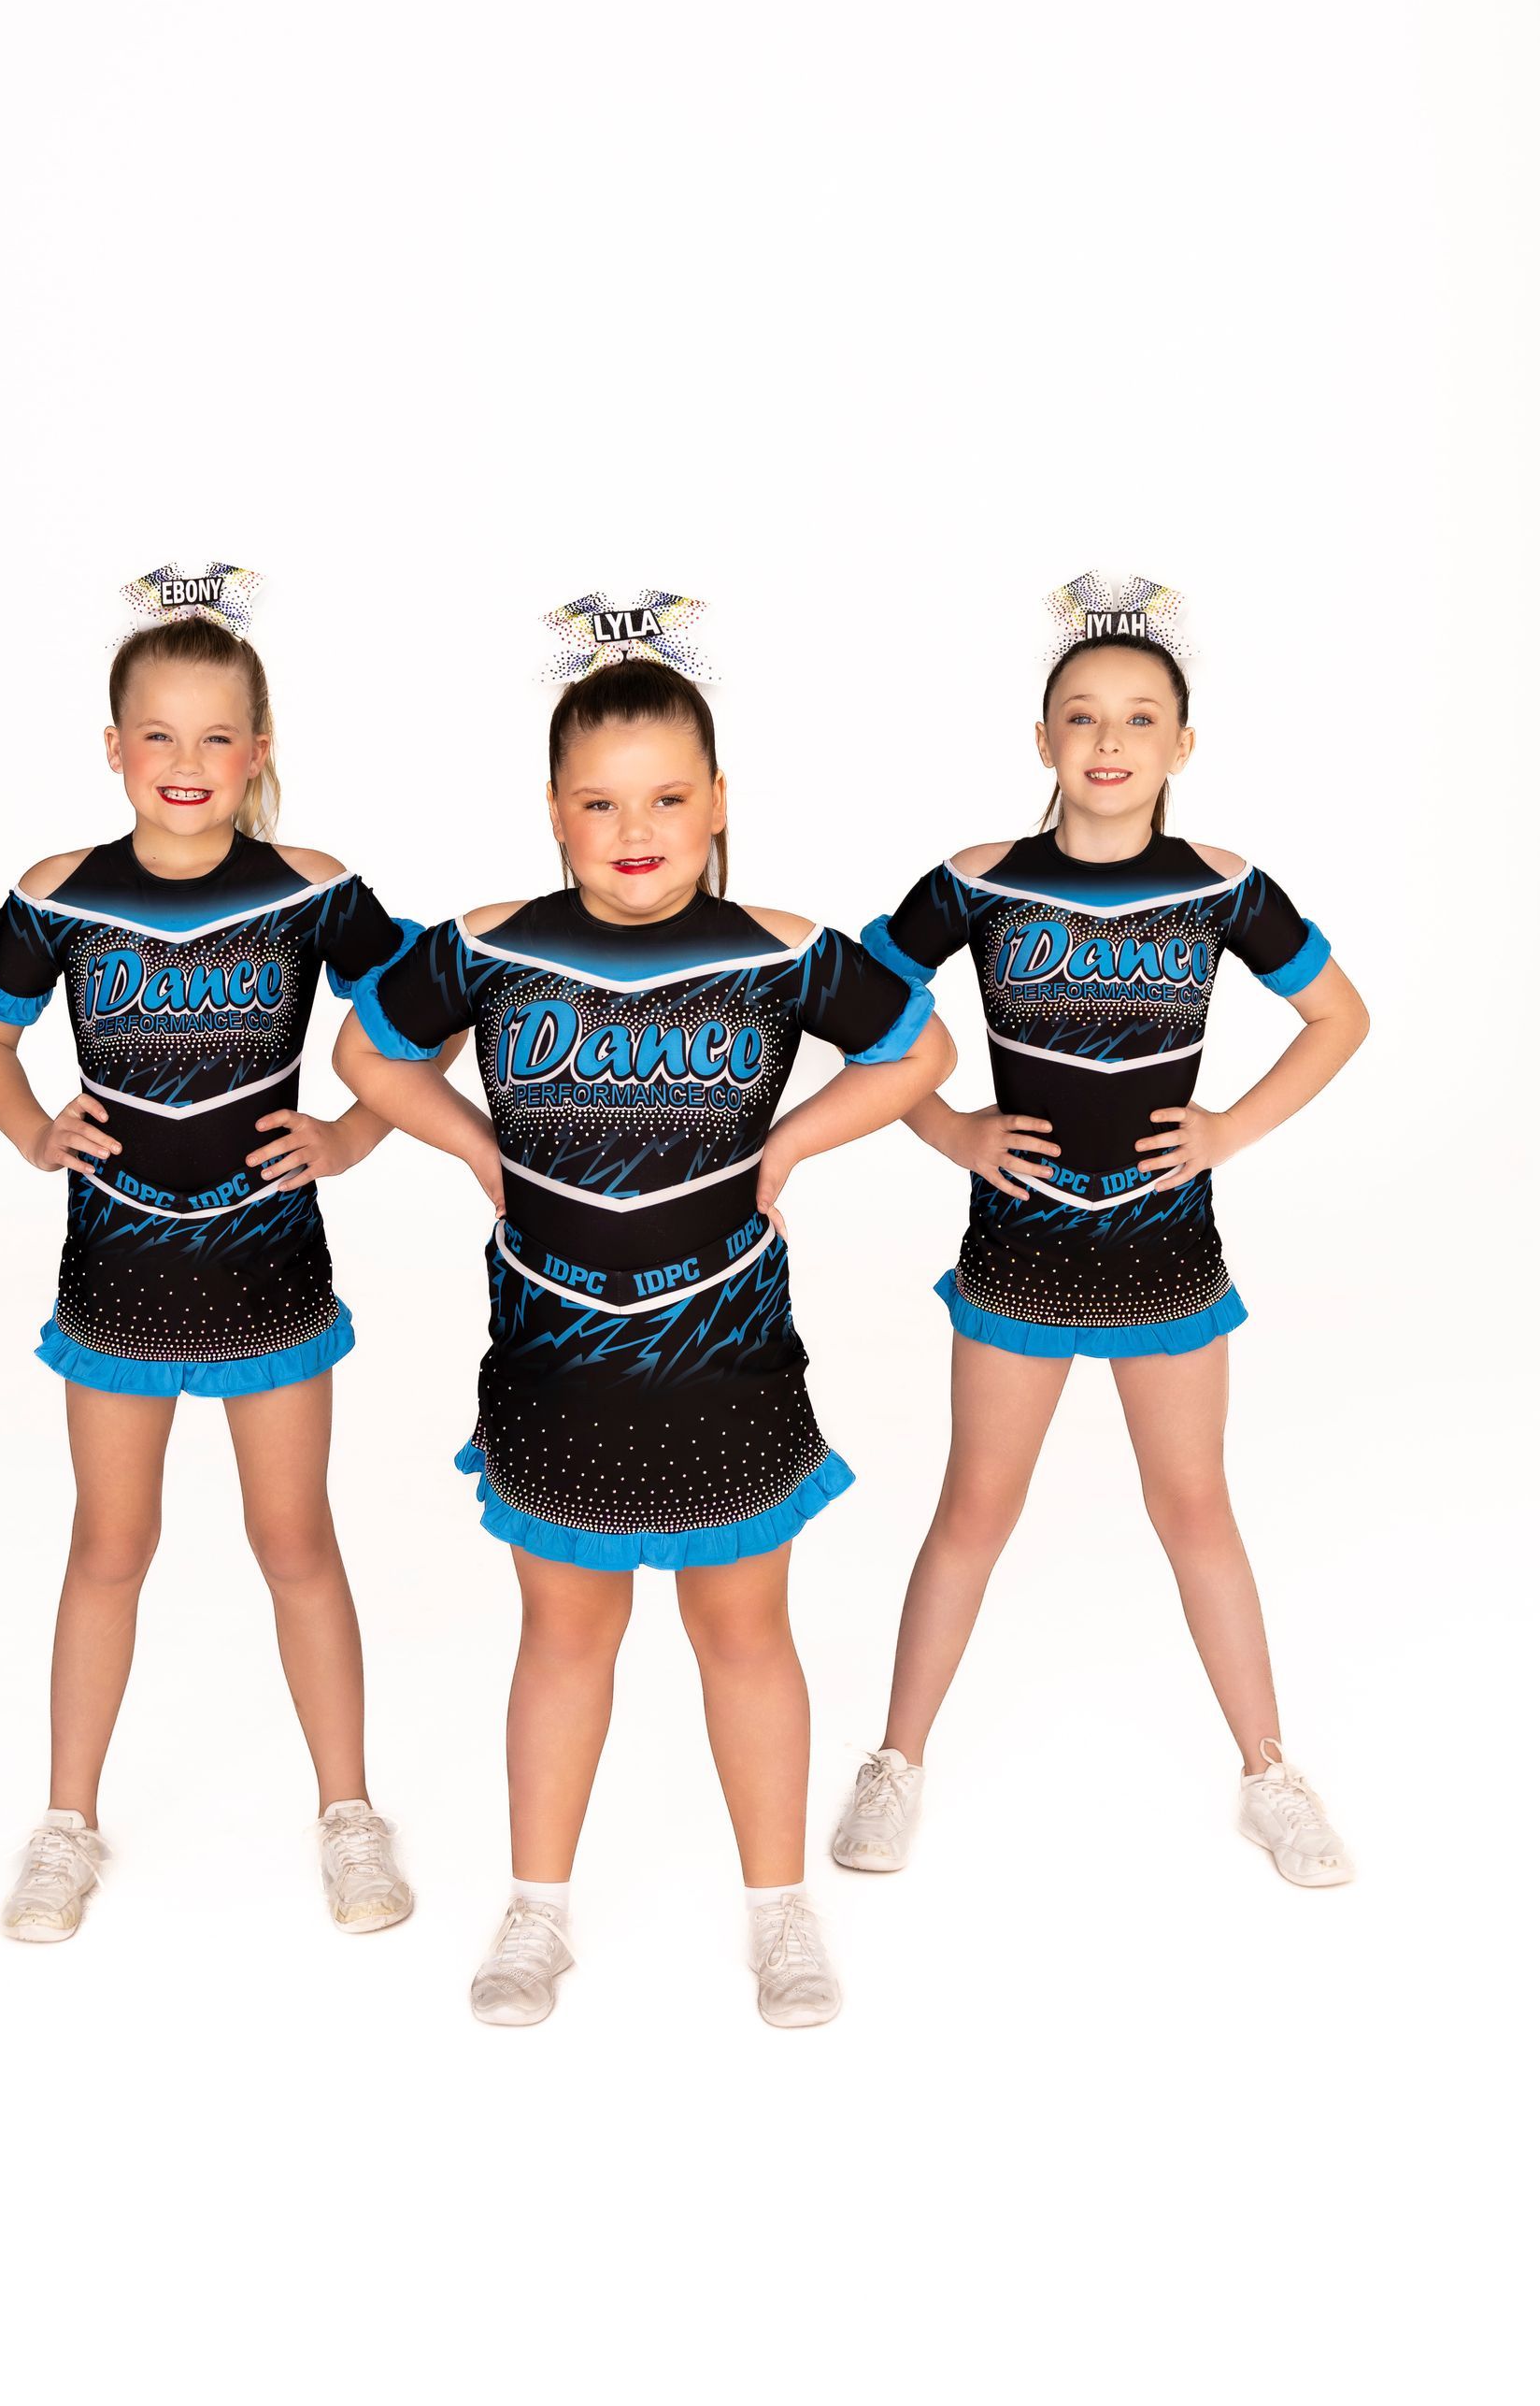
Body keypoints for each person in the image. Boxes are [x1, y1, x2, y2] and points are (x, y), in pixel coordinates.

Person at [336, 595, 954, 2026]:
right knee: (564, 1637)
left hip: (726, 1359)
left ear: (719, 802)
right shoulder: (488, 946)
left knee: (745, 1632)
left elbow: (917, 1047)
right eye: (603, 800)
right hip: (556, 1360)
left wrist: (789, 1142)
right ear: (555, 811)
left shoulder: (778, 948)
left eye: (670, 797)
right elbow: (370, 1050)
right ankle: (536, 1911)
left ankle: (779, 1911)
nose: (638, 827)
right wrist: (477, 1148)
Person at [834, 573, 1369, 1888]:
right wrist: (952, 1126)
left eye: (1141, 718)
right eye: (1083, 717)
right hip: (1020, 1249)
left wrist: (1231, 1129)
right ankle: (895, 1762)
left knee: (1195, 1506)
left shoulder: (1225, 886)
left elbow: (1340, 1018)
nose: (1112, 740)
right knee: (976, 1508)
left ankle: (1270, 1773)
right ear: (1043, 742)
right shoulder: (975, 883)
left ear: (1183, 746)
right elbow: (857, 1013)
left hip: (1166, 1252)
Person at [0, 566, 437, 1942]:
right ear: (113, 750)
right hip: (115, 1277)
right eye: (155, 736)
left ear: (258, 752)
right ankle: (66, 1823)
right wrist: (32, 1129)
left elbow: (427, 1016)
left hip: (270, 1271)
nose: (185, 763)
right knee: (112, 1542)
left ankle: (348, 1811)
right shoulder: (59, 895)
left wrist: (348, 1135)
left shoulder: (310, 890)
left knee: (295, 1539)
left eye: (215, 736)